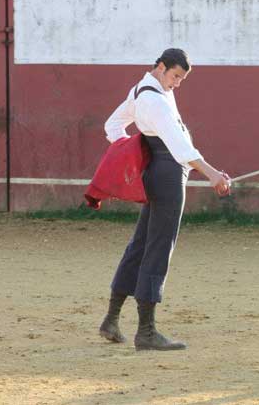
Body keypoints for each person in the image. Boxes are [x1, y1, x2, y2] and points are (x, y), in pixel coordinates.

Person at [99, 48, 231, 351]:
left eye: (182, 79)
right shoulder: (154, 99)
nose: (178, 83)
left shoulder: (143, 90)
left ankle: (111, 319)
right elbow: (180, 146)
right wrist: (212, 174)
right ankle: (146, 332)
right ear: (161, 67)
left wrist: (136, 154)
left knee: (141, 245)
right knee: (158, 248)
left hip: (157, 172)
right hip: (168, 176)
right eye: (175, 76)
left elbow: (112, 127)